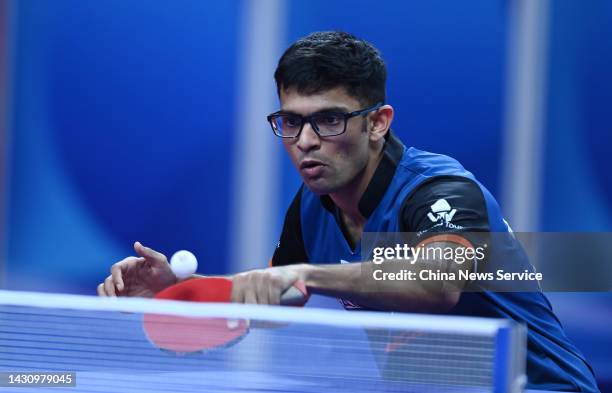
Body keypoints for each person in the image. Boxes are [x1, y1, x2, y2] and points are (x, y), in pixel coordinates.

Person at [97, 31, 599, 392]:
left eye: (329, 120)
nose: (306, 142)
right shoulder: (314, 206)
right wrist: (182, 295)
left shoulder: (439, 189)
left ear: (378, 123)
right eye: (290, 122)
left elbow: (438, 283)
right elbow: (274, 299)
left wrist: (311, 274)